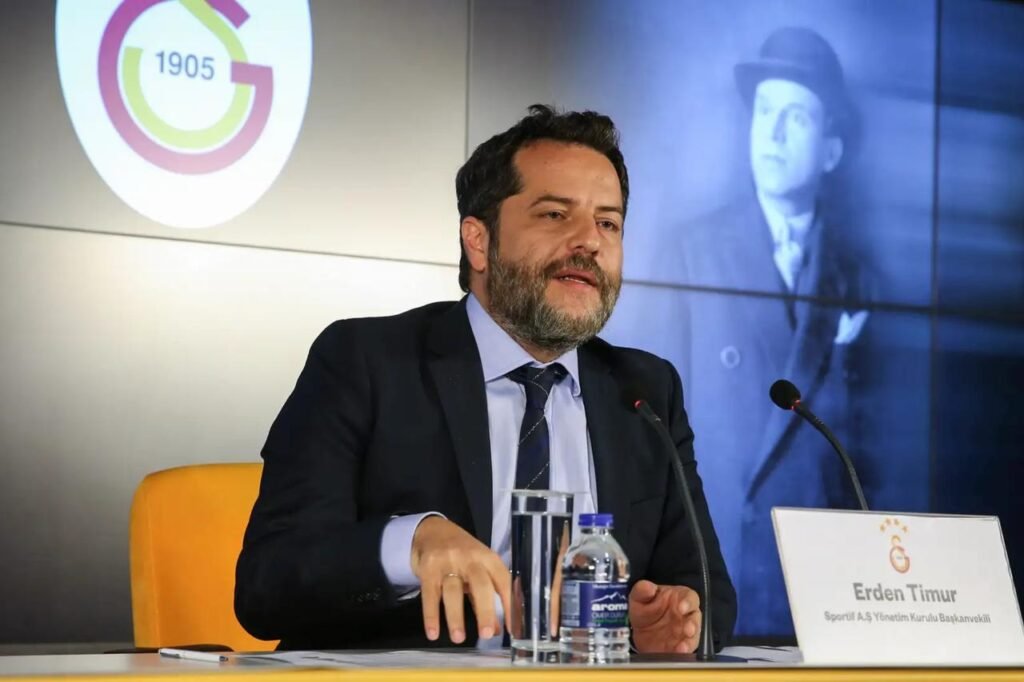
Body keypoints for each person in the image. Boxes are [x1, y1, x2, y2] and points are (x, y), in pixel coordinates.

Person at [235, 105, 736, 651]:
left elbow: (707, 597)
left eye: (608, 223)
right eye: (554, 215)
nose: (589, 242)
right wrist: (411, 544)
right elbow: (269, 584)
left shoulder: (644, 390)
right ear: (479, 240)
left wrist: (661, 624)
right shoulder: (367, 362)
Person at [637, 27, 873, 637]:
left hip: (823, 587)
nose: (769, 134)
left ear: (831, 150)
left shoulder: (859, 274)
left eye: (794, 117)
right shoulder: (691, 254)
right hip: (716, 575)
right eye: (763, 112)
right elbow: (644, 430)